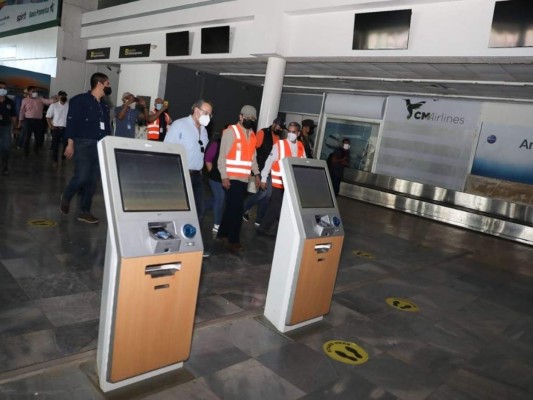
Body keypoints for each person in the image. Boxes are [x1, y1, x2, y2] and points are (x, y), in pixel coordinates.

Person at [59, 72, 112, 224]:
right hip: (83, 143)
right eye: (108, 83)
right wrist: (70, 143)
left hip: (100, 145)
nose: (109, 87)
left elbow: (107, 128)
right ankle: (67, 196)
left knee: (92, 180)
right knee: (82, 176)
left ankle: (85, 211)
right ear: (100, 83)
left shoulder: (104, 105)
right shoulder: (79, 100)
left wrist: (108, 145)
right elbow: (72, 122)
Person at [165, 99, 212, 257]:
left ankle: (193, 246)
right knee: (177, 211)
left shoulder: (203, 130)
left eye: (210, 114)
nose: (208, 116)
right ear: (196, 110)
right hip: (181, 174)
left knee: (198, 211)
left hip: (197, 176)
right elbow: (167, 149)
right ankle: (171, 244)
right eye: (206, 113)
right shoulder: (180, 125)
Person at [217, 105, 261, 253]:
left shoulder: (252, 135)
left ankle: (222, 234)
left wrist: (257, 174)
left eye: (252, 119)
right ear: (240, 116)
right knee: (237, 210)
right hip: (231, 178)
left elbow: (252, 158)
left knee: (231, 208)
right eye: (247, 118)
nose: (249, 120)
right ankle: (233, 241)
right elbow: (222, 157)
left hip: (243, 180)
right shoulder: (231, 132)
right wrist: (224, 177)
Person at [257, 121, 306, 236]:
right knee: (276, 205)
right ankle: (264, 228)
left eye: (293, 132)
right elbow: (269, 162)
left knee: (285, 207)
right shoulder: (279, 145)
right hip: (278, 181)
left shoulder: (300, 146)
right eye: (289, 131)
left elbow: (303, 162)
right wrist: (264, 178)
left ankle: (280, 227)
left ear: (298, 133)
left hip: (291, 182)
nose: (291, 134)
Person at [242, 118, 283, 227]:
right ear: (274, 124)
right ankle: (244, 208)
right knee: (263, 193)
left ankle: (259, 218)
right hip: (260, 168)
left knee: (267, 195)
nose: (279, 128)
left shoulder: (278, 138)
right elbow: (253, 150)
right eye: (278, 125)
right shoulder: (262, 133)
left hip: (270, 170)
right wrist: (254, 169)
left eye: (281, 127)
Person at [18, 86, 55, 156]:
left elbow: (48, 101)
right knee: (27, 137)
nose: (35, 92)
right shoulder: (24, 100)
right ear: (29, 92)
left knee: (38, 137)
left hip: (38, 121)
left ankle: (36, 150)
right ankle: (25, 151)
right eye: (33, 91)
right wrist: (20, 122)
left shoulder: (40, 99)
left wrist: (54, 100)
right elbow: (22, 111)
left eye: (35, 91)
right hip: (27, 121)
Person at [204, 128, 226, 234]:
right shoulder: (217, 144)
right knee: (220, 198)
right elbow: (208, 159)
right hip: (215, 177)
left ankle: (201, 208)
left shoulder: (232, 145)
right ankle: (217, 224)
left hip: (225, 178)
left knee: (217, 199)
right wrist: (212, 172)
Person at [46, 90, 69, 168]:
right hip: (56, 129)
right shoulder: (54, 105)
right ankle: (55, 160)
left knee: (65, 145)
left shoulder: (69, 106)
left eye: (65, 96)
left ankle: (63, 158)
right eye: (62, 96)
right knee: (56, 145)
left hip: (66, 129)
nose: (63, 97)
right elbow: (48, 116)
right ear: (58, 97)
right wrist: (50, 126)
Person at [0, 81, 16, 176]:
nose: (2, 89)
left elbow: (13, 115)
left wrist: (16, 127)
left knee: (6, 148)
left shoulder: (9, 101)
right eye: (0, 87)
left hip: (6, 127)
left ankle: (4, 167)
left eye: (4, 88)